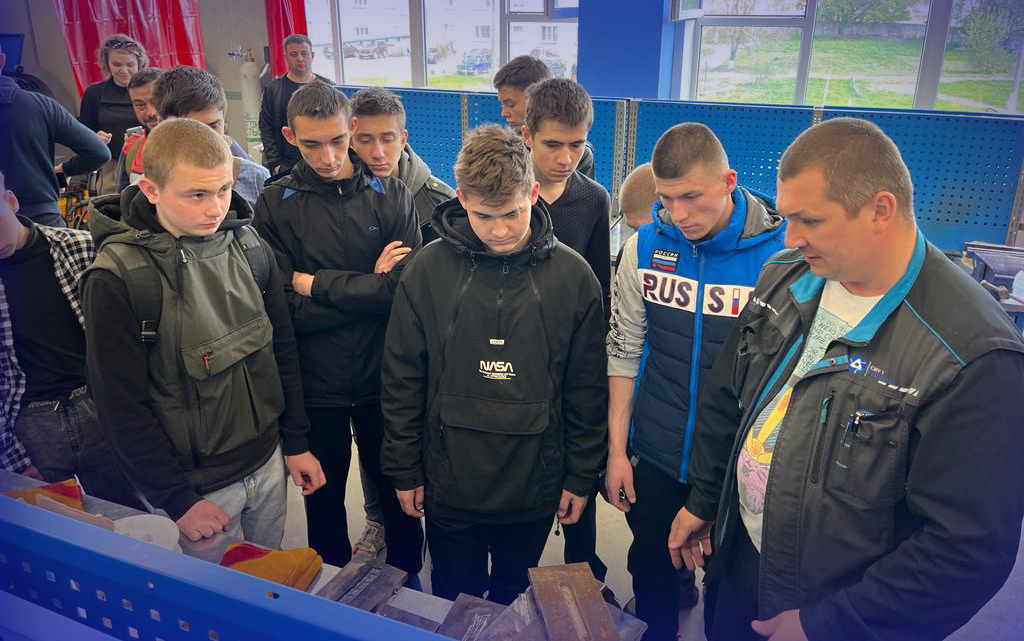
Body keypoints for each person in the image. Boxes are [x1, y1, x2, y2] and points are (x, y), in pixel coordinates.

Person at [669, 117, 1024, 641]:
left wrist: (830, 625)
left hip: (835, 607)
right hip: (740, 559)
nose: (791, 237)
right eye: (788, 217)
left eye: (809, 220)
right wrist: (704, 500)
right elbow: (728, 398)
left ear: (880, 209)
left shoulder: (971, 355)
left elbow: (965, 549)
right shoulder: (786, 275)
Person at [381, 124, 607, 605]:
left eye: (513, 213)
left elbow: (586, 390)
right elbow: (402, 378)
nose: (501, 230)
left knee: (513, 600)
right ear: (461, 198)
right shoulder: (425, 271)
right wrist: (403, 468)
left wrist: (580, 475)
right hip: (449, 483)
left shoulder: (575, 278)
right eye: (485, 216)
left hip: (534, 485)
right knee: (451, 596)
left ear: (534, 193)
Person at [81, 118, 324, 545]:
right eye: (197, 194)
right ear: (151, 190)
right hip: (196, 491)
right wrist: (176, 500)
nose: (216, 208)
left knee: (269, 574)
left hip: (268, 463)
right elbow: (120, 405)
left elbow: (282, 351)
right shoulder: (118, 278)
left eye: (224, 189)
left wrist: (296, 441)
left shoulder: (251, 247)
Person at [605, 123, 785, 641]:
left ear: (728, 181)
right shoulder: (643, 247)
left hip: (737, 470)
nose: (678, 214)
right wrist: (617, 452)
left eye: (691, 197)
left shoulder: (781, 258)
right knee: (652, 572)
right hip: (657, 455)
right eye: (666, 199)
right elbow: (623, 350)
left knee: (732, 601)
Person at [253, 81, 425, 577]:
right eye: (311, 145)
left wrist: (317, 284)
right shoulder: (275, 204)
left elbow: (403, 295)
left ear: (351, 128)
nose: (328, 157)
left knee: (398, 496)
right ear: (290, 137)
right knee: (323, 503)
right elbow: (284, 309)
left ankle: (407, 580)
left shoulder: (393, 195)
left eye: (336, 141)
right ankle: (328, 588)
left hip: (384, 381)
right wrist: (370, 286)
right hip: (316, 386)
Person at [0, 168, 140, 509]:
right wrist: (16, 457)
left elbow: (127, 338)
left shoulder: (80, 247)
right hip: (30, 424)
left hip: (97, 405)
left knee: (129, 513)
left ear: (11, 200)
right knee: (54, 521)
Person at [520, 76, 612, 589]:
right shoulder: (509, 197)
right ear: (527, 134)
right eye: (553, 144)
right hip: (516, 360)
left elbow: (598, 291)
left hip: (573, 362)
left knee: (582, 469)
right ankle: (519, 570)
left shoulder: (594, 200)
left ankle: (585, 572)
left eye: (576, 145)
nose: (566, 158)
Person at [0, 42, 109, 227]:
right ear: (2, 61)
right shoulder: (41, 105)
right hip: (42, 221)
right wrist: (63, 170)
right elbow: (99, 152)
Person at [152, 65, 270, 206]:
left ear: (224, 123)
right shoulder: (149, 189)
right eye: (191, 130)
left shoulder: (256, 179)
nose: (205, 140)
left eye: (213, 127)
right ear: (162, 125)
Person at [350, 86, 455, 244]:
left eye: (387, 140)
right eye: (365, 141)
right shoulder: (335, 198)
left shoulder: (441, 204)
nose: (378, 153)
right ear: (350, 142)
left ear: (403, 140)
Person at [493, 55, 595, 181]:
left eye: (510, 104)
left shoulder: (583, 157)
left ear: (533, 97)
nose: (504, 113)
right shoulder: (502, 150)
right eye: (551, 145)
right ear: (526, 135)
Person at [79, 34, 148, 195]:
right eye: (116, 64)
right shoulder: (94, 93)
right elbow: (83, 133)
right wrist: (94, 138)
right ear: (106, 64)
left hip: (148, 161)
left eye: (130, 64)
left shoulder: (151, 90)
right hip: (111, 165)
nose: (124, 70)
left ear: (139, 63)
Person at [258, 34, 331, 177]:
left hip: (321, 160)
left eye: (304, 53)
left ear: (312, 56)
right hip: (286, 164)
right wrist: (276, 164)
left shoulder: (328, 87)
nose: (300, 59)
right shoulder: (274, 88)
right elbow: (265, 126)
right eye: (294, 54)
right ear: (285, 57)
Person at [115, 67, 163, 193]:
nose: (150, 113)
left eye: (156, 102)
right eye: (140, 105)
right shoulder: (132, 148)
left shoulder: (193, 144)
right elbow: (121, 199)